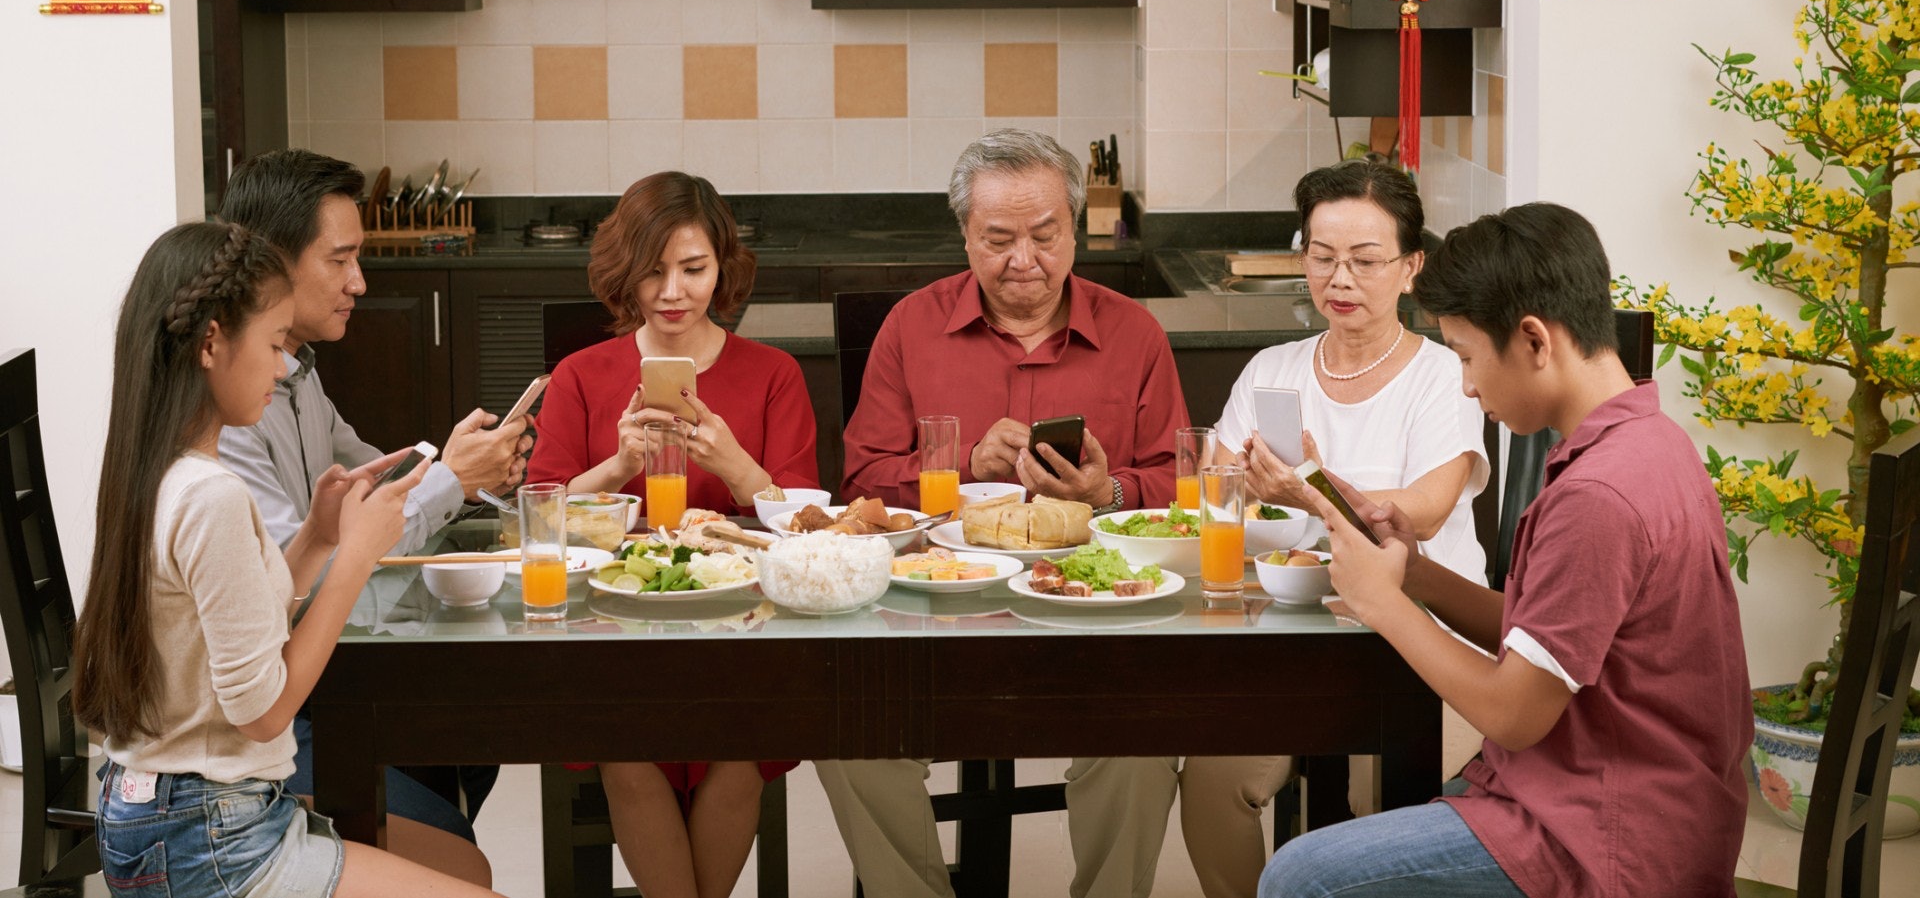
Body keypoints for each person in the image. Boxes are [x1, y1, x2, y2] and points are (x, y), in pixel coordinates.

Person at [1260, 203, 1751, 897]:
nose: (1466, 383)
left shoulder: (1599, 495)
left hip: (1604, 836)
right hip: (1633, 801)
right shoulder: (1649, 440)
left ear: (1533, 341)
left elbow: (1512, 714)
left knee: (1300, 876)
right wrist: (1416, 573)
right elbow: (1544, 635)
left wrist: (1380, 602)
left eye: (1467, 355)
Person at [72, 220, 505, 898]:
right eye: (273, 345)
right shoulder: (211, 495)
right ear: (212, 342)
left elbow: (230, 627)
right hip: (210, 834)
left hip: (164, 812)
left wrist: (317, 538)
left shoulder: (157, 469)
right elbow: (264, 713)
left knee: (464, 866)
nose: (281, 369)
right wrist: (357, 555)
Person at [823, 128, 1189, 898]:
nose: (1024, 259)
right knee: (847, 736)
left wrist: (1105, 494)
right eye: (998, 239)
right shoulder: (911, 326)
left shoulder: (1135, 333)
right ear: (965, 234)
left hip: (1095, 614)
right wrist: (961, 466)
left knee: (1142, 740)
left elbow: (1179, 484)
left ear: (1075, 228)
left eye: (1045, 235)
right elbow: (860, 478)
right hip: (935, 614)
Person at [1179, 159, 1490, 898]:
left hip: (1421, 647)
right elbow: (1211, 497)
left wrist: (1308, 492)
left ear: (1411, 267)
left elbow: (1422, 511)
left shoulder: (1443, 375)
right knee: (1211, 788)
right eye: (1322, 257)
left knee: (1372, 812)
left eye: (1365, 260)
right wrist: (1231, 486)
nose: (1340, 278)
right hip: (1289, 641)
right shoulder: (1272, 368)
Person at [218, 148, 525, 877]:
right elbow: (304, 581)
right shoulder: (230, 412)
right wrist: (448, 481)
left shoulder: (295, 373)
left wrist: (457, 469)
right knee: (454, 837)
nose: (359, 282)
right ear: (270, 265)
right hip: (272, 716)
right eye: (341, 260)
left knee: (472, 728)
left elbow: (371, 477)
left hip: (309, 679)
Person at [527, 170, 817, 898]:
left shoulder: (775, 374)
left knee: (743, 746)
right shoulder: (580, 375)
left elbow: (809, 529)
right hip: (610, 624)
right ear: (624, 271)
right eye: (653, 271)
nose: (672, 292)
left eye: (693, 269)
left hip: (746, 625)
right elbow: (539, 514)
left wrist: (736, 465)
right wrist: (619, 464)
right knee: (625, 749)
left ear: (723, 267)